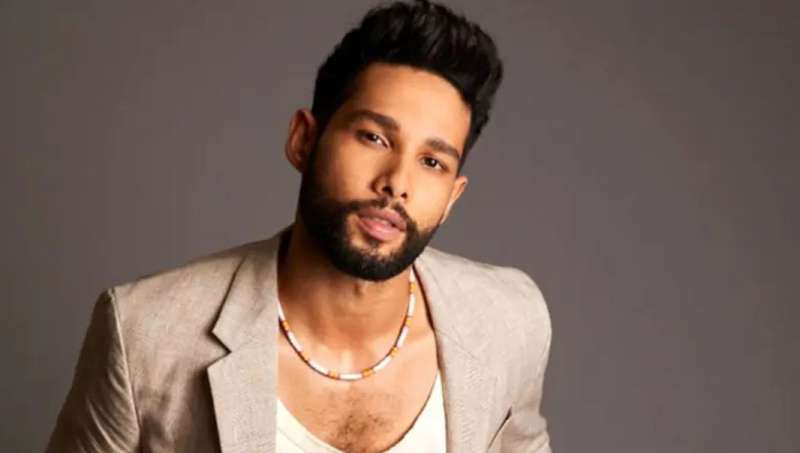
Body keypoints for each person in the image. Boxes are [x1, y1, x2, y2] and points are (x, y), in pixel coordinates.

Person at [46, 1, 552, 452]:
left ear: (452, 198)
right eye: (374, 138)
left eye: (432, 162)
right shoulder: (147, 337)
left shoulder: (509, 321)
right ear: (303, 140)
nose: (397, 183)